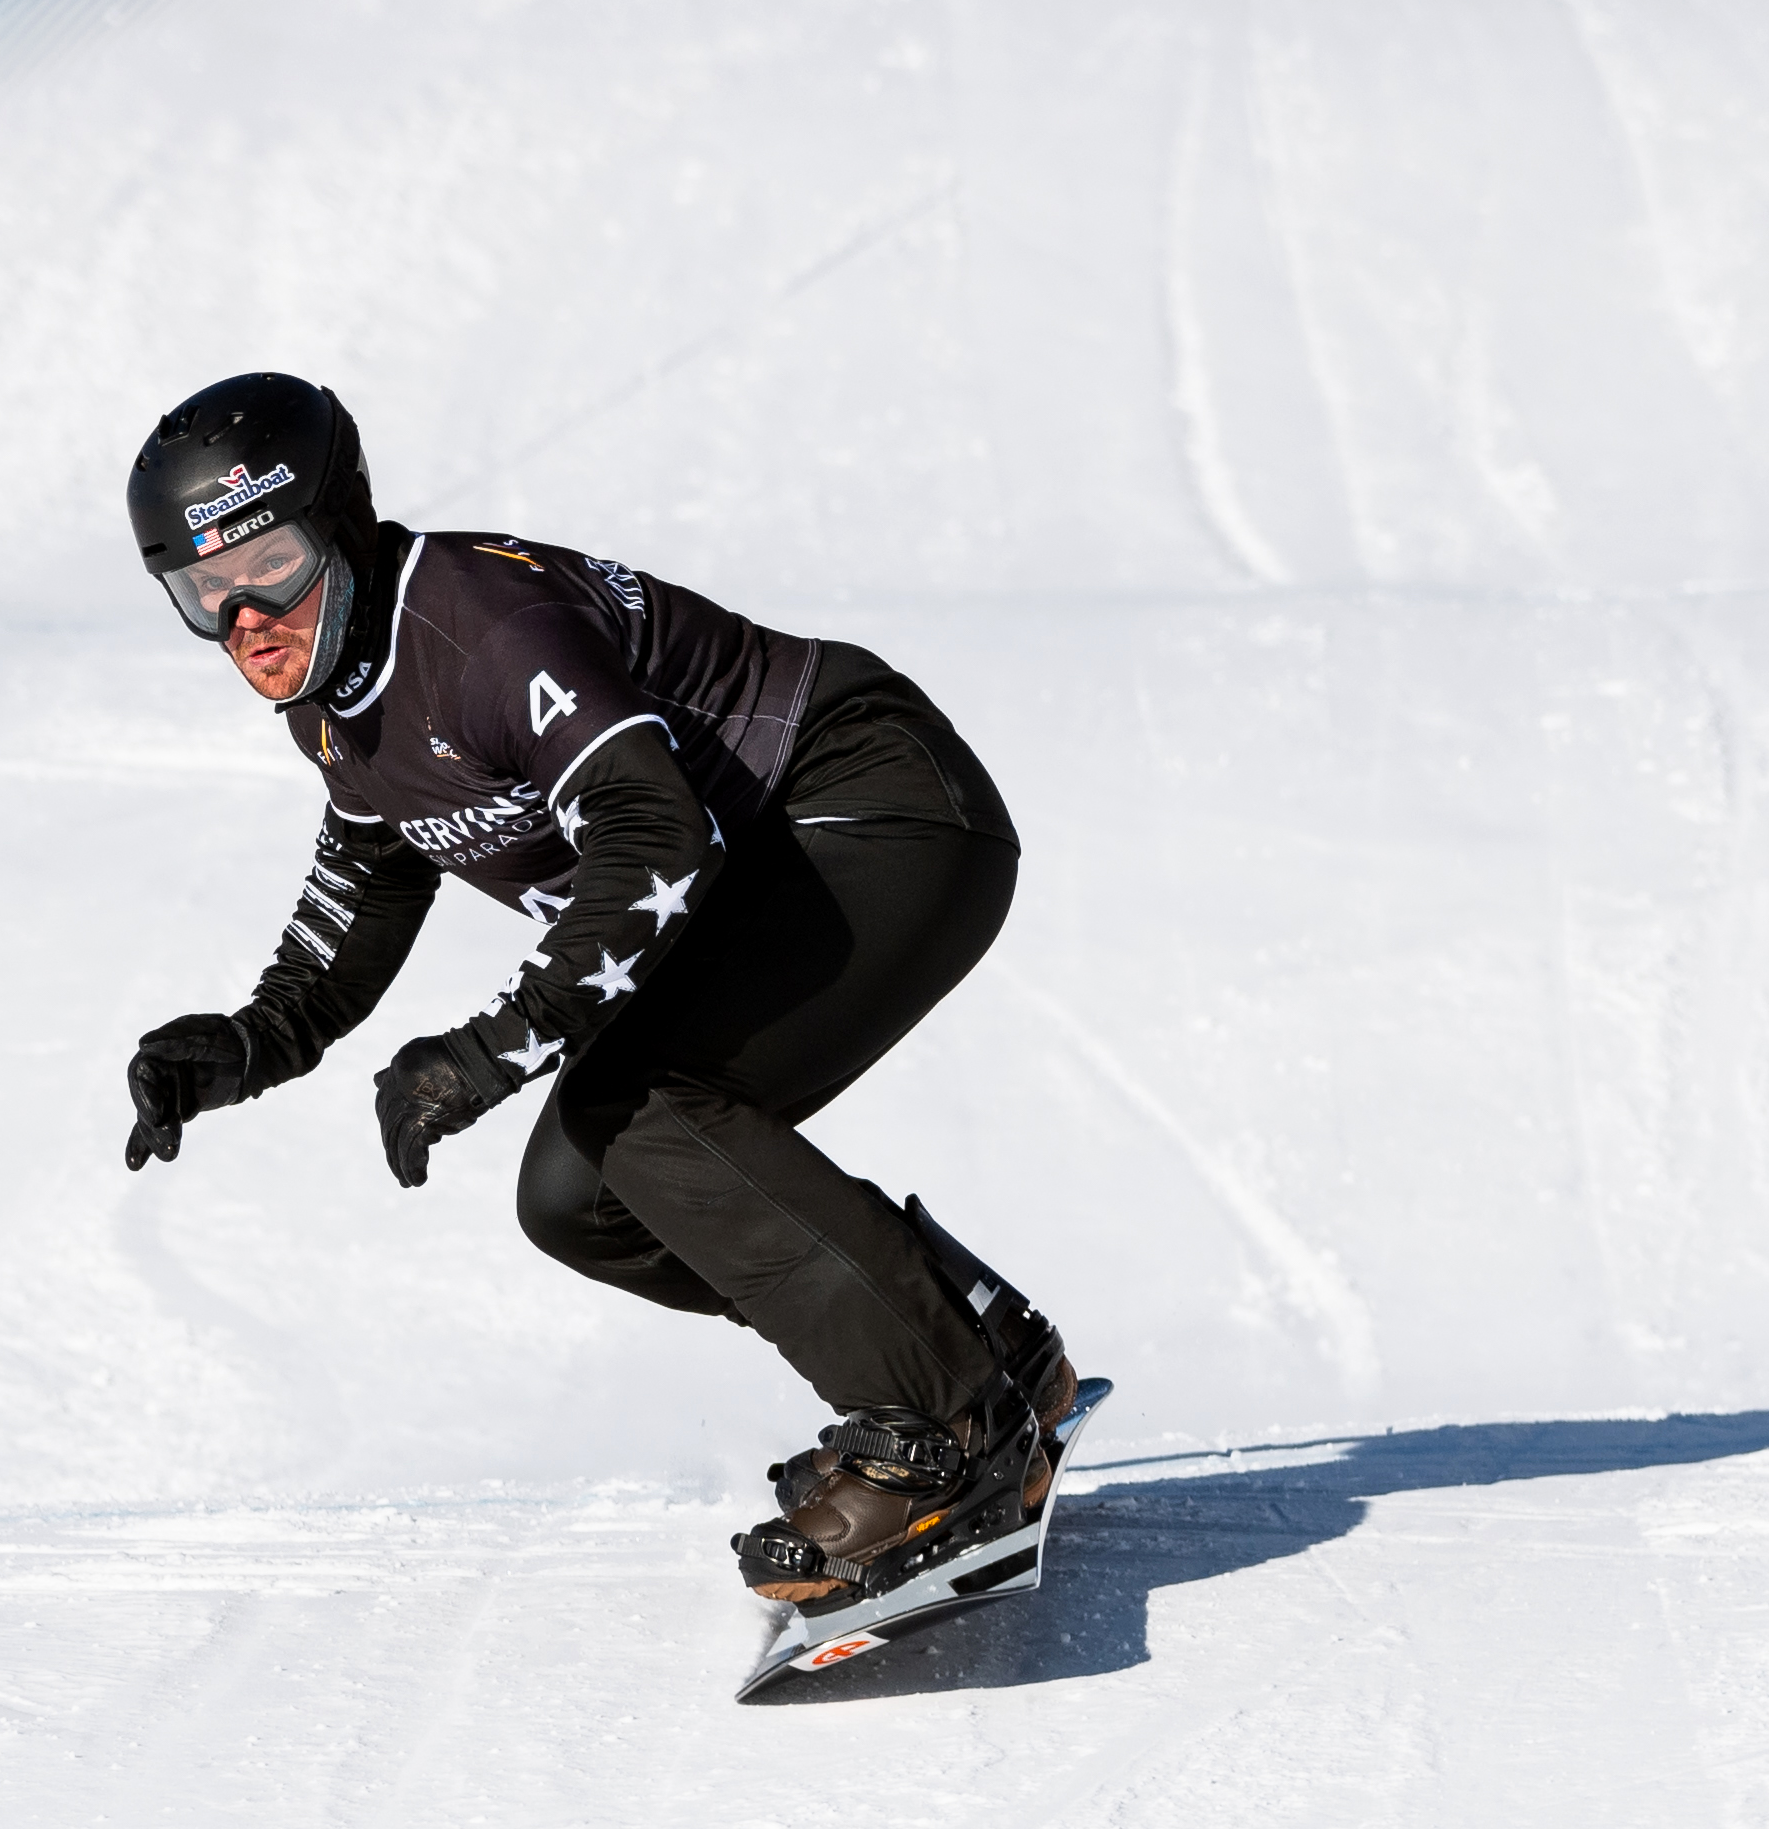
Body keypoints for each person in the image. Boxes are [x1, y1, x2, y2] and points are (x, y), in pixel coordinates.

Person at [115, 372, 1075, 1609]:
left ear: (343, 527)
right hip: (762, 868)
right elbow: (364, 890)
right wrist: (249, 1042)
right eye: (204, 593)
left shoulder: (483, 630)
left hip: (875, 810)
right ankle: (979, 1348)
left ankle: (942, 1433)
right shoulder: (332, 694)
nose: (246, 617)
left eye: (272, 565)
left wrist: (490, 1046)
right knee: (581, 1199)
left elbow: (654, 833)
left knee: (641, 1104)